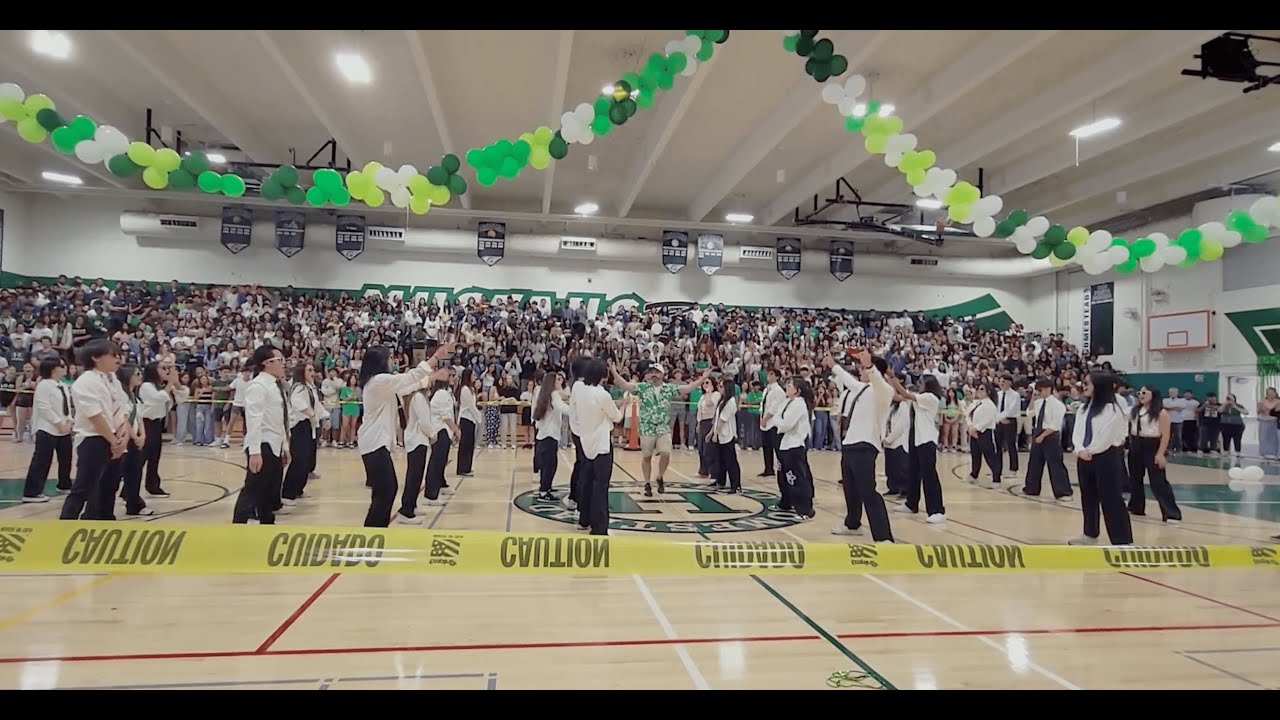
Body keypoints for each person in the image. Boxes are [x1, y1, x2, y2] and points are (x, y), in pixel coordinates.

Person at [359, 341, 454, 528]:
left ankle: (377, 529)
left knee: (385, 490)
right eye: (389, 358)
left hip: (377, 443)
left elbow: (409, 385)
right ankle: (372, 531)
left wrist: (433, 376)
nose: (392, 361)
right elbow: (409, 378)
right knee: (386, 490)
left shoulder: (383, 384)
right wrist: (436, 357)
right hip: (373, 443)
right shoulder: (378, 382)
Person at [608, 361, 708, 497]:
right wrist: (614, 371)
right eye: (652, 372)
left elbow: (688, 388)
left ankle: (660, 476)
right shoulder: (643, 387)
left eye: (657, 372)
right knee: (647, 456)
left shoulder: (668, 388)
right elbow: (625, 385)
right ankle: (647, 483)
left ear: (663, 374)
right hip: (647, 427)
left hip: (663, 427)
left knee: (665, 454)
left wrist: (702, 378)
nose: (654, 374)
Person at [825, 350, 894, 543]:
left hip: (865, 445)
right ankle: (852, 524)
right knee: (850, 489)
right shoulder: (863, 389)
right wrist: (833, 365)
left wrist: (870, 366)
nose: (861, 371)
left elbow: (877, 380)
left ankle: (883, 536)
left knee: (868, 491)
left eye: (864, 369)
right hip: (850, 444)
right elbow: (848, 380)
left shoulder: (884, 391)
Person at [59, 340, 125, 521]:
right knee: (84, 487)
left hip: (115, 437)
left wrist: (122, 439)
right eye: (113, 355)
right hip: (94, 439)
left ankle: (100, 521)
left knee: (109, 485)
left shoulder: (113, 380)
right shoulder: (86, 381)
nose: (117, 359)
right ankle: (65, 524)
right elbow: (95, 415)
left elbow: (122, 410)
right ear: (96, 357)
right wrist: (113, 441)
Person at [1068, 371, 1134, 546]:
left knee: (1111, 497)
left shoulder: (1113, 409)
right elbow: (1078, 432)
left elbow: (1107, 435)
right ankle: (1089, 534)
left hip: (1106, 456)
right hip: (1084, 456)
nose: (1084, 386)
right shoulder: (1084, 408)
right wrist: (1080, 449)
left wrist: (1091, 450)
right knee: (1088, 496)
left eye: (1087, 383)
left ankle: (1122, 540)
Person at [231, 345, 290, 525]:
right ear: (266, 363)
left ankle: (267, 523)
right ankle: (238, 524)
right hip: (262, 444)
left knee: (269, 491)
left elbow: (278, 419)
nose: (283, 364)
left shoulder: (275, 386)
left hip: (275, 443)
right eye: (279, 360)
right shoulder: (258, 386)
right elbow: (254, 420)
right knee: (253, 488)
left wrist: (284, 446)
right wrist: (255, 452)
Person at [888, 374, 945, 524]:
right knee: (913, 472)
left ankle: (937, 510)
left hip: (926, 440)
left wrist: (892, 376)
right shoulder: (919, 398)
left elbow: (905, 394)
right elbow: (898, 396)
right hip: (915, 439)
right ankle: (911, 503)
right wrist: (889, 379)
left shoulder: (930, 398)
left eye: (921, 382)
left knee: (929, 475)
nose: (919, 384)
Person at [577, 359, 625, 536]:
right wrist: (623, 405)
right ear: (602, 376)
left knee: (586, 482)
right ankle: (599, 527)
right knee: (600, 486)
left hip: (585, 440)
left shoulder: (581, 391)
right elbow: (617, 417)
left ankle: (584, 518)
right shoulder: (602, 394)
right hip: (602, 444)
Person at [20, 357, 73, 503]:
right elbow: (44, 407)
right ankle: (31, 492)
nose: (65, 368)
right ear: (53, 369)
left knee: (66, 458)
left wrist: (69, 421)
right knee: (42, 460)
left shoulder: (62, 385)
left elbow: (67, 406)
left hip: (64, 428)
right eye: (61, 366)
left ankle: (64, 484)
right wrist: (58, 423)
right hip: (47, 428)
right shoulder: (44, 385)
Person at [1127, 384, 1182, 523]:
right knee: (1135, 478)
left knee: (1158, 481)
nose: (1141, 395)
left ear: (1153, 395)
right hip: (1136, 444)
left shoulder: (1161, 413)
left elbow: (1165, 435)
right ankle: (1136, 506)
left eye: (1144, 393)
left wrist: (1160, 453)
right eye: (1139, 393)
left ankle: (1171, 512)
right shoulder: (1135, 410)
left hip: (1152, 445)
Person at [774, 376, 816, 520]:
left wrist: (778, 421)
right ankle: (786, 502)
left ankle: (805, 509)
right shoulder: (787, 401)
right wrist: (778, 420)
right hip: (784, 443)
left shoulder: (799, 404)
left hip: (794, 444)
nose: (787, 387)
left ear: (798, 390)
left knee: (796, 478)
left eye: (790, 385)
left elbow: (786, 424)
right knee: (783, 475)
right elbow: (777, 415)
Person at [1023, 377, 1072, 500]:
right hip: (1038, 432)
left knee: (1055, 463)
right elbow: (1029, 413)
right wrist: (1033, 398)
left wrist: (1042, 436)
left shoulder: (1057, 405)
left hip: (1050, 435)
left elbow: (1055, 425)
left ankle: (1063, 492)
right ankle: (1031, 488)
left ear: (1048, 389)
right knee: (1034, 462)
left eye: (1040, 390)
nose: (1039, 392)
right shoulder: (1038, 402)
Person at [282, 361, 322, 507]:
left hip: (309, 425)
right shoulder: (298, 388)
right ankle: (287, 493)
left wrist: (324, 416)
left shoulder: (310, 387)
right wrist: (311, 414)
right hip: (299, 426)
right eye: (309, 370)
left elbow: (317, 405)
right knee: (299, 459)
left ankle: (299, 489)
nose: (313, 373)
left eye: (313, 370)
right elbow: (299, 404)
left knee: (307, 460)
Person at [137, 361, 174, 499]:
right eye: (163, 368)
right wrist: (170, 384)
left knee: (154, 457)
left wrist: (175, 383)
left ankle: (153, 485)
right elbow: (157, 399)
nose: (166, 370)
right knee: (142, 457)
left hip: (157, 423)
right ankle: (129, 490)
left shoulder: (161, 387)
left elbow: (181, 396)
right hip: (146, 423)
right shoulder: (146, 386)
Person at [532, 372, 568, 502]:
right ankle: (544, 491)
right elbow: (563, 408)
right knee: (550, 465)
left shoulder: (544, 393)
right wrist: (577, 411)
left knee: (547, 464)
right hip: (550, 435)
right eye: (557, 379)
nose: (560, 381)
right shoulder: (553, 395)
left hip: (544, 434)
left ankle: (546, 487)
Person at [708, 375, 742, 495]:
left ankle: (736, 485)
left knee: (730, 461)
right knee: (720, 460)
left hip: (728, 435)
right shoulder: (721, 401)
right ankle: (720, 481)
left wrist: (715, 433)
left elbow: (723, 420)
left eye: (721, 386)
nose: (719, 388)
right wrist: (711, 432)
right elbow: (717, 418)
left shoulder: (731, 402)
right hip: (720, 435)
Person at [965, 384, 1002, 484]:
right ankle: (974, 475)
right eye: (978, 389)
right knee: (975, 455)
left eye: (982, 389)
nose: (979, 391)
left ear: (988, 392)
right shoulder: (975, 403)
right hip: (973, 432)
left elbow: (988, 420)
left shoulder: (990, 405)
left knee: (989, 456)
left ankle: (996, 478)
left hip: (985, 432)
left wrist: (977, 428)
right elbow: (968, 415)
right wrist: (970, 427)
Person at [758, 368, 785, 477]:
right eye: (768, 374)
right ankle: (768, 468)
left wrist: (766, 418)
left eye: (772, 374)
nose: (769, 376)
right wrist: (761, 417)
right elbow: (763, 404)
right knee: (766, 447)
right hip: (764, 422)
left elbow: (774, 407)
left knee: (777, 447)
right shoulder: (766, 390)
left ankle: (782, 468)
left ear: (777, 377)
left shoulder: (778, 391)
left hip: (774, 423)